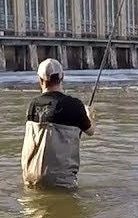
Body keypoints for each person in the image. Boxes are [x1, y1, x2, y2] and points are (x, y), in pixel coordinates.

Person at [21, 58, 93, 189]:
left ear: (40, 80)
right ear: (62, 77)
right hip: (62, 182)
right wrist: (89, 114)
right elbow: (90, 131)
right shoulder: (75, 105)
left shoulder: (32, 105)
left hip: (31, 179)